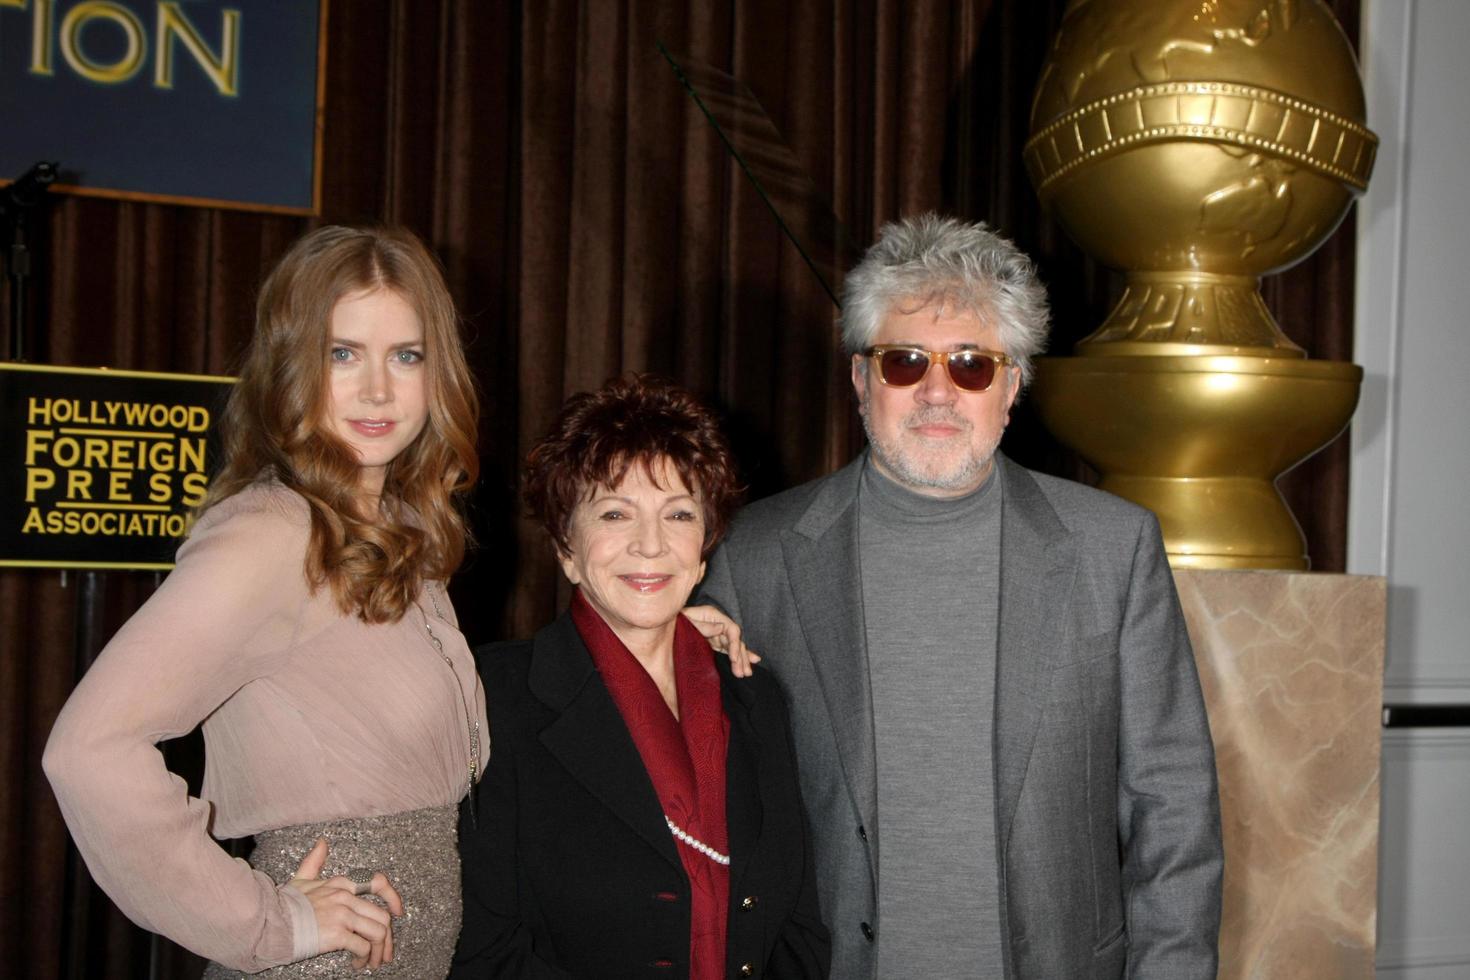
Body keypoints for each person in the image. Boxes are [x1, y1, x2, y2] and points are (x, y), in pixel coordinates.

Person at [697, 214, 1223, 979]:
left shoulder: (1114, 549)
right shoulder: (756, 554)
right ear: (859, 380)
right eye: (905, 361)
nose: (937, 391)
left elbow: (1174, 807)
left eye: (973, 365)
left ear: (1012, 386)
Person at [42, 225, 488, 976]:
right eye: (341, 354)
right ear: (291, 366)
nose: (377, 389)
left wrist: (658, 641)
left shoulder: (404, 532)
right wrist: (269, 922)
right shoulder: (274, 535)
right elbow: (87, 751)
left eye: (405, 356)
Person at [452, 375, 830, 979]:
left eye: (678, 513)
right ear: (566, 549)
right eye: (614, 513)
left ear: (704, 547)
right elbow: (481, 946)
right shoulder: (494, 698)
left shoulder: (755, 696)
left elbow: (800, 925)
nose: (650, 545)